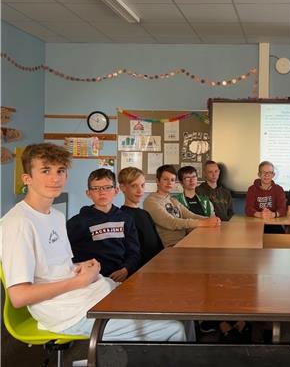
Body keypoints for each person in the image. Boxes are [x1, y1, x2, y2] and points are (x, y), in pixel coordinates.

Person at [0, 143, 190, 341]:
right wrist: (78, 281)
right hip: (66, 312)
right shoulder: (18, 223)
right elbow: (19, 296)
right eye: (45, 170)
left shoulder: (55, 216)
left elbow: (59, 265)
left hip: (91, 290)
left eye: (60, 170)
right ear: (27, 178)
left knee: (180, 308)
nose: (55, 178)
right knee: (173, 328)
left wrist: (82, 266)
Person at [67, 168, 140, 283]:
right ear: (88, 193)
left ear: (116, 191)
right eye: (96, 188)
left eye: (107, 187)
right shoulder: (77, 222)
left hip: (121, 278)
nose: (102, 192)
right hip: (93, 282)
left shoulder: (126, 219)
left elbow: (134, 252)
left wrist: (126, 269)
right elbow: (65, 254)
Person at [143, 165, 220, 247]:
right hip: (173, 246)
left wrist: (210, 219)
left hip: (185, 240)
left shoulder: (172, 200)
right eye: (165, 179)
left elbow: (190, 215)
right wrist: (202, 223)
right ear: (158, 181)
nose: (169, 183)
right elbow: (172, 222)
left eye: (172, 180)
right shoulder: (151, 201)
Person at [118, 167, 164, 268]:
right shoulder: (121, 217)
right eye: (134, 186)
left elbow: (157, 245)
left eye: (142, 185)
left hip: (155, 267)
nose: (140, 190)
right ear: (123, 188)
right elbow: (130, 252)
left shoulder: (145, 214)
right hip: (138, 271)